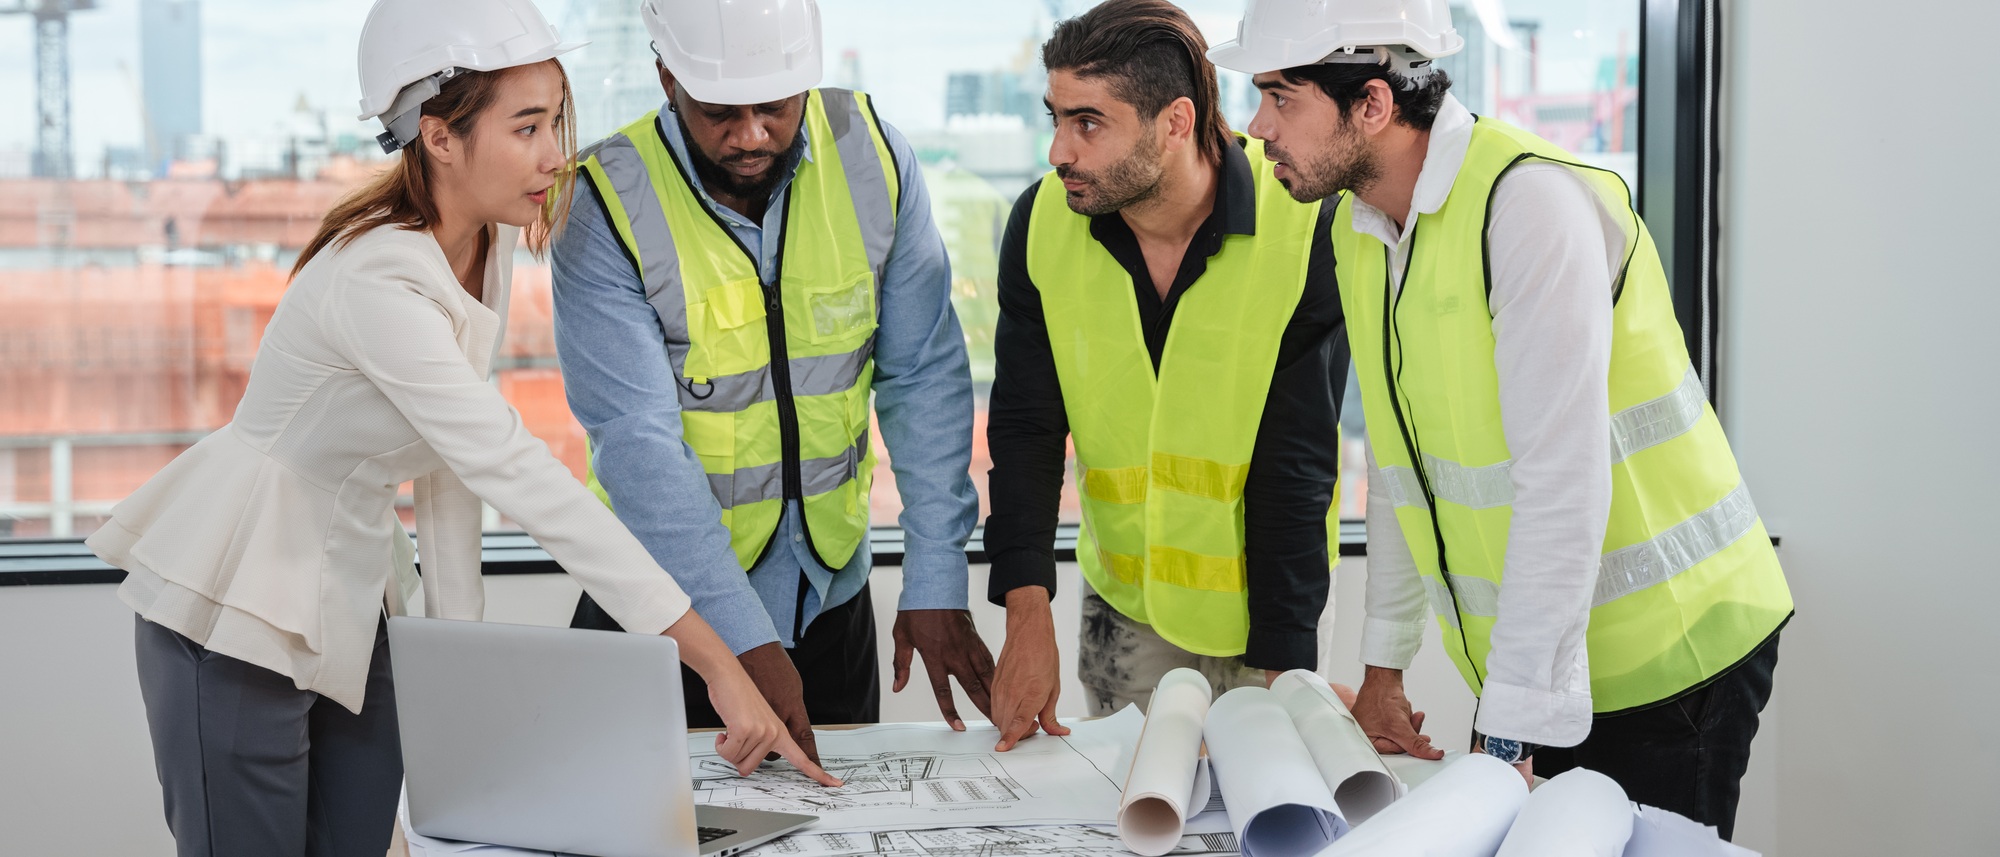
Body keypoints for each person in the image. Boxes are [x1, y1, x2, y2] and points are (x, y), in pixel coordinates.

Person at [87, 2, 833, 854]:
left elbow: (447, 486)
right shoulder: (378, 278)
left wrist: (463, 684)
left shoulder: (481, 245)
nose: (557, 154)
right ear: (439, 136)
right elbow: (515, 471)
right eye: (525, 128)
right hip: (238, 599)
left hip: (352, 598)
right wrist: (717, 661)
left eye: (555, 120)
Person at [1208, 0, 1794, 837]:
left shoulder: (1528, 207)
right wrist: (1385, 667)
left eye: (1280, 97)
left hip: (1671, 653)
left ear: (1372, 103)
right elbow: (1403, 465)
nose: (1257, 126)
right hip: (1551, 658)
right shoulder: (1361, 227)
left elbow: (1562, 482)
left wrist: (1512, 719)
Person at [553, 0, 992, 758]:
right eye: (721, 111)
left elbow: (923, 374)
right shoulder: (605, 204)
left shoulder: (872, 157)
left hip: (830, 601)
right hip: (664, 619)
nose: (752, 133)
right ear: (666, 77)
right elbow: (638, 445)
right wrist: (741, 640)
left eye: (776, 106)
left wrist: (935, 575)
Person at [982, 0, 1346, 752]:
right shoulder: (1043, 221)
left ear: (1175, 123)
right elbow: (1025, 426)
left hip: (1270, 606)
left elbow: (1298, 459)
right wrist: (1026, 614)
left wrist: (1285, 662)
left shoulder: (1303, 220)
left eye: (1088, 123)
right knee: (1133, 811)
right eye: (1054, 117)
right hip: (1125, 613)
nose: (1057, 150)